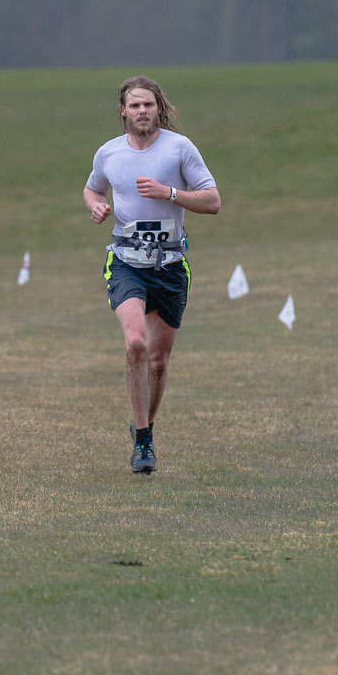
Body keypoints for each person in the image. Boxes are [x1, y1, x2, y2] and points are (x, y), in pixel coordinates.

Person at [83, 76, 221, 474]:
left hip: (171, 265)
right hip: (126, 262)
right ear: (122, 112)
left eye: (149, 105)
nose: (142, 111)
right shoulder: (108, 154)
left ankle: (146, 426)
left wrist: (169, 194)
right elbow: (92, 189)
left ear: (159, 108)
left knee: (158, 361)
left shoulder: (180, 149)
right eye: (135, 105)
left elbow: (213, 201)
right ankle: (143, 441)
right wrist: (95, 206)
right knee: (136, 345)